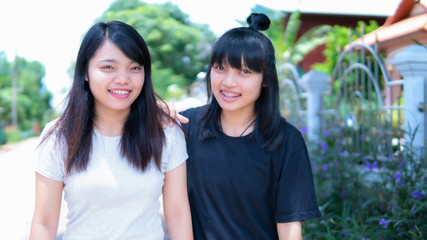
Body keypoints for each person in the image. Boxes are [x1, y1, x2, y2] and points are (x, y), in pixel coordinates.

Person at [30, 20, 193, 240]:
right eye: (108, 67)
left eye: (135, 68)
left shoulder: (165, 132)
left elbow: (178, 214)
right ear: (85, 72)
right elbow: (44, 223)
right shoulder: (59, 136)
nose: (123, 79)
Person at [169, 13, 322, 239]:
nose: (228, 82)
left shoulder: (286, 141)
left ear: (266, 79)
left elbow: (289, 227)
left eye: (245, 72)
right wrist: (156, 110)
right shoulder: (186, 127)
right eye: (220, 68)